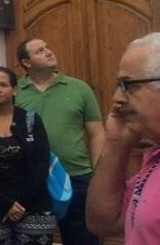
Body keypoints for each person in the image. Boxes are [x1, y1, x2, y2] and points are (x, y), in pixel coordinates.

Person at [15, 38, 104, 245]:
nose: (48, 52)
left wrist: (97, 175)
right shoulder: (15, 92)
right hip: (31, 180)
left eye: (48, 47)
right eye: (39, 51)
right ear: (26, 62)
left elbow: (98, 133)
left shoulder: (79, 88)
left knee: (82, 239)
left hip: (76, 177)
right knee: (33, 239)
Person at [86, 32, 160, 244]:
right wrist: (116, 143)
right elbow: (104, 223)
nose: (117, 98)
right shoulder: (155, 156)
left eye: (128, 85)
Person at [0, 67, 56, 245]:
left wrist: (20, 203)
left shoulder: (31, 121)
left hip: (33, 205)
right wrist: (7, 204)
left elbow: (41, 164)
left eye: (3, 84)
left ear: (14, 89)